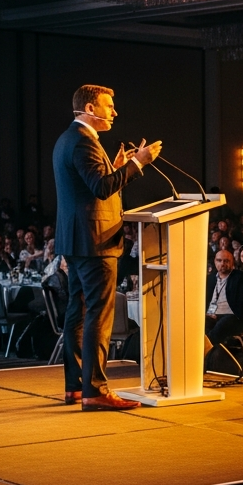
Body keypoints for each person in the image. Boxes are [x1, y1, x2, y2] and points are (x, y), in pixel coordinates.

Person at [55, 85, 161, 409]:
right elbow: (101, 189)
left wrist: (116, 167)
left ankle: (76, 386)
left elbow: (90, 185)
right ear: (90, 107)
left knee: (78, 312)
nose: (114, 112)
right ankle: (96, 391)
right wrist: (138, 164)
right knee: (97, 317)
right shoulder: (84, 142)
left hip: (76, 239)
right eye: (109, 106)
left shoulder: (68, 139)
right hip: (94, 241)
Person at [205, 247, 243, 348]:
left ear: (232, 263)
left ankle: (205, 350)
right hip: (211, 314)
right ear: (214, 261)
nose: (222, 263)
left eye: (226, 261)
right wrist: (210, 313)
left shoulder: (240, 277)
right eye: (219, 260)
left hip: (233, 316)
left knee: (220, 327)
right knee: (199, 325)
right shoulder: (210, 278)